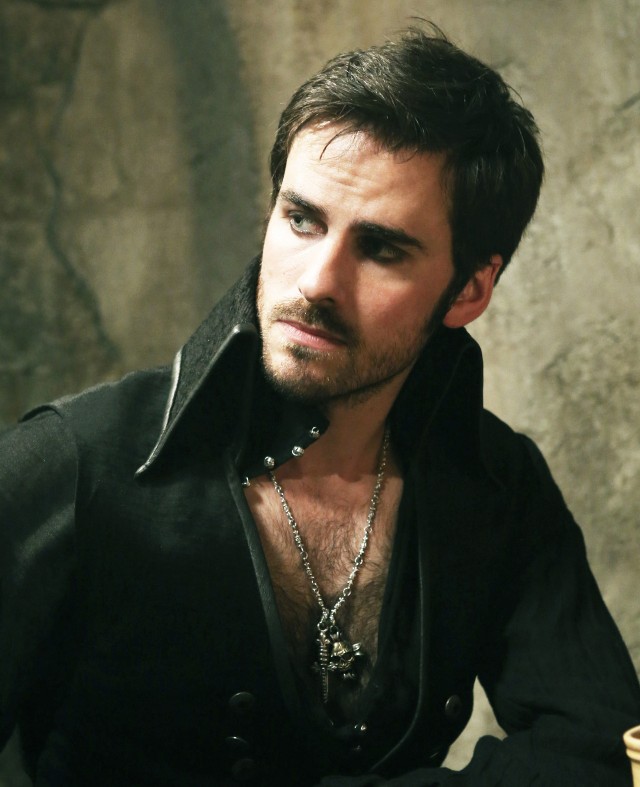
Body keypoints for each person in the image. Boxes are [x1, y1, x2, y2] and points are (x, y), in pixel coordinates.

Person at [1, 23, 639, 787]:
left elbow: (599, 748)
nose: (316, 281)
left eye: (381, 248)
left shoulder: (498, 484)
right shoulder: (75, 462)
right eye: (301, 219)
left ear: (470, 290)